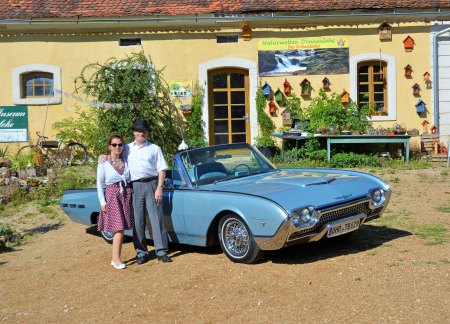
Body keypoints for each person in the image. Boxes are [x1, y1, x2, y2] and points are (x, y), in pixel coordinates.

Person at [126, 119, 172, 264]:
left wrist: (159, 187)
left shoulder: (154, 148)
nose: (141, 133)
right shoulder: (126, 148)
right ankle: (141, 253)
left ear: (147, 133)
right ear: (134, 132)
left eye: (144, 131)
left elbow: (161, 169)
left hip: (152, 184)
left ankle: (161, 251)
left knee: (156, 219)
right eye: (139, 131)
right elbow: (113, 156)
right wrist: (104, 157)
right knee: (138, 221)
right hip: (135, 186)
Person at [96, 135, 134, 270]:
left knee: (121, 228)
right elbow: (99, 183)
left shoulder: (126, 160)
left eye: (120, 144)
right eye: (114, 145)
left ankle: (114, 259)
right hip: (112, 195)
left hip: (126, 194)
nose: (117, 147)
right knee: (118, 228)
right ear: (109, 146)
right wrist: (102, 201)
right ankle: (116, 260)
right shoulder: (103, 163)